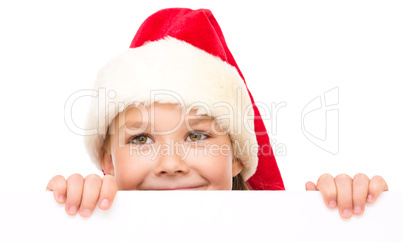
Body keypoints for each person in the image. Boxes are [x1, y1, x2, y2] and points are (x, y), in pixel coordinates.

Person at [46, 8, 388, 219]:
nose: (170, 163)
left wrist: (352, 217)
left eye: (196, 135)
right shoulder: (87, 224)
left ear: (238, 155)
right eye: (141, 139)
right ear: (108, 163)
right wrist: (68, 217)